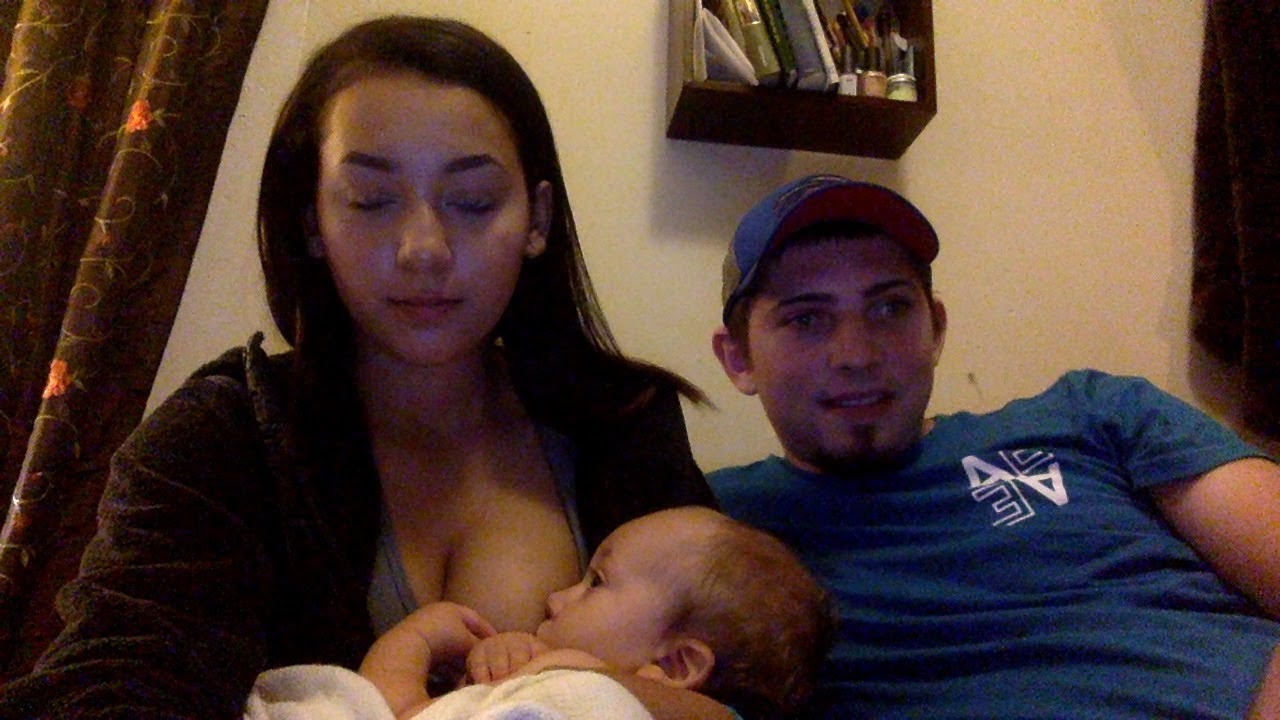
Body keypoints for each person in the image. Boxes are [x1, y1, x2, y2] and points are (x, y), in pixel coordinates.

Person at [0, 16, 726, 720]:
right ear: (312, 221)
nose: (424, 248)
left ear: (536, 219)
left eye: (472, 202)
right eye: (371, 201)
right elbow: (113, 675)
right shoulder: (224, 435)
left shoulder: (624, 423)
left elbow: (739, 681)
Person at [706, 174, 1280, 719]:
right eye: (806, 319)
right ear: (738, 359)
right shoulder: (712, 525)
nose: (856, 354)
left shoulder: (1094, 413)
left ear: (936, 328)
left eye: (890, 307)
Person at [245, 506, 833, 720]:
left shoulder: (582, 689)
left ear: (678, 663)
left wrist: (414, 641)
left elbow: (394, 714)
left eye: (596, 582)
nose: (556, 597)